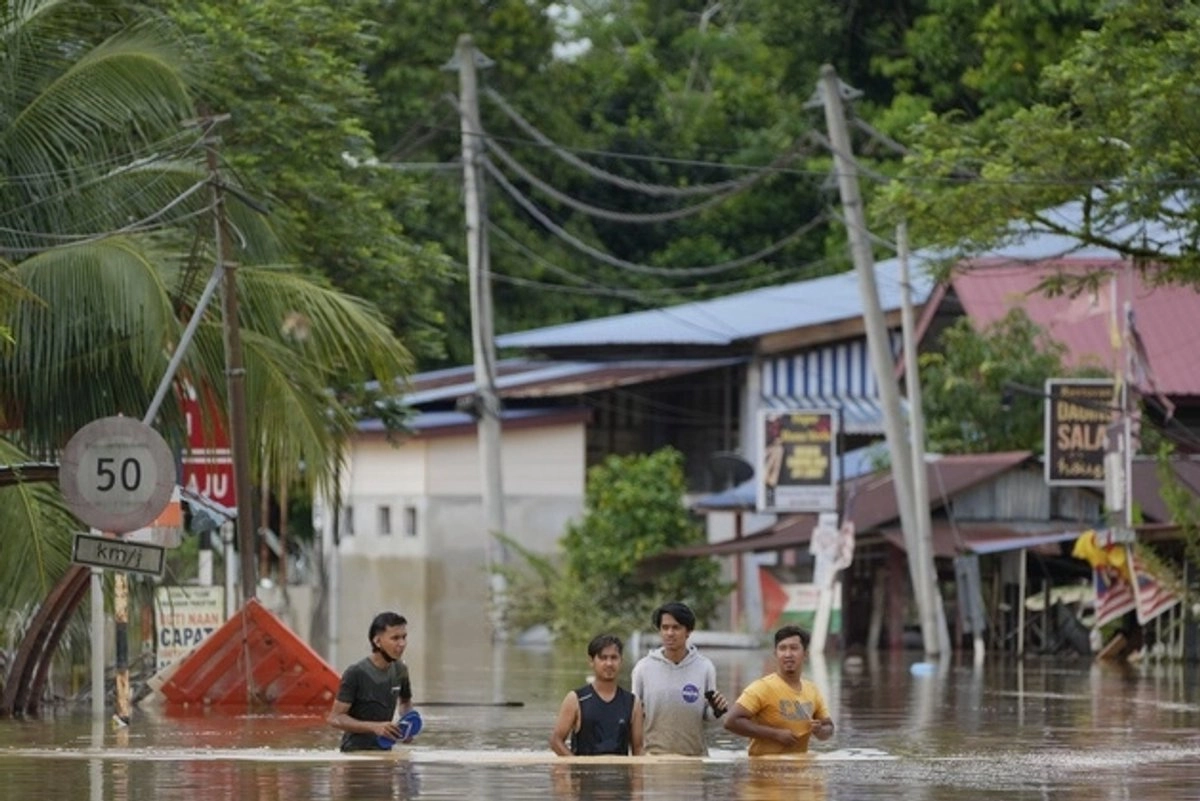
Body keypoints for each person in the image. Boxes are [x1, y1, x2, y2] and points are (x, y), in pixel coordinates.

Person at [631, 602, 727, 756]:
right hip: (653, 758)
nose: (669, 633)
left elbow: (707, 716)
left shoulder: (704, 667)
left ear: (688, 631)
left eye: (676, 628)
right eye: (665, 628)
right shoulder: (643, 668)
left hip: (693, 757)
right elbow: (635, 715)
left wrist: (717, 710)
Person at [724, 625, 834, 755]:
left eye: (794, 648)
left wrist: (820, 731)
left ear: (805, 654)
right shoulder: (762, 687)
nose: (788, 654)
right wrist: (775, 734)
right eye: (782, 648)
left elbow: (829, 727)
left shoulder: (812, 690)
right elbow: (731, 721)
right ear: (775, 653)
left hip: (800, 769)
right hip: (764, 769)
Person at [327, 611, 414, 752]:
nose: (402, 643)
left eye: (404, 637)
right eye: (395, 638)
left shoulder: (401, 669)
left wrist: (408, 723)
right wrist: (374, 727)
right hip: (355, 754)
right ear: (377, 641)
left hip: (385, 751)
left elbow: (405, 702)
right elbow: (335, 718)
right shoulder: (355, 672)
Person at [550, 633, 644, 756]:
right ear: (591, 661)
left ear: (621, 661)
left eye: (614, 658)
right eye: (603, 658)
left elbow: (638, 748)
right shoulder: (576, 699)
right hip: (584, 773)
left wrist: (637, 774)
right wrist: (575, 766)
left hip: (620, 774)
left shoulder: (632, 703)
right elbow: (556, 741)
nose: (609, 663)